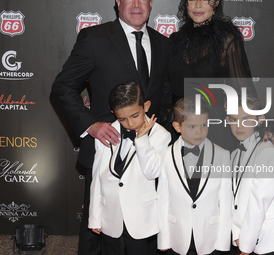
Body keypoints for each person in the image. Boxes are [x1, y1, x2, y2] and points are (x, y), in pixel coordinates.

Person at [51, 0, 171, 254]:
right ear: (118, 2)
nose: (137, 4)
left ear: (151, 2)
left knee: (147, 230)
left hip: (150, 154)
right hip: (108, 149)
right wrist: (91, 125)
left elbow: (166, 96)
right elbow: (63, 87)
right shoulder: (95, 38)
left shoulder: (163, 43)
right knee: (99, 232)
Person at [88, 82, 171, 255]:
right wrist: (95, 217)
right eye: (122, 119)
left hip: (140, 216)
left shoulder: (161, 135)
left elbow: (152, 172)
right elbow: (97, 176)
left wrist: (142, 140)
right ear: (114, 114)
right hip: (110, 213)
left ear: (146, 106)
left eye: (135, 115)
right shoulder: (107, 132)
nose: (130, 123)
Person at [167, 0, 257, 151]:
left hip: (213, 129)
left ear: (216, 3)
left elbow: (244, 91)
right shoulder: (174, 41)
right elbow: (165, 89)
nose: (198, 4)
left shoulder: (227, 41)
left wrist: (266, 131)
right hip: (178, 130)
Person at [157, 97, 232, 255]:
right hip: (177, 237)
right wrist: (163, 238)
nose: (199, 131)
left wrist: (223, 242)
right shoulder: (165, 155)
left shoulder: (223, 156)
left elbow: (226, 203)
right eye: (192, 126)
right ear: (177, 126)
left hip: (210, 238)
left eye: (204, 125)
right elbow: (163, 201)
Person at [226, 96, 274, 255]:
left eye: (246, 119)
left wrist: (246, 243)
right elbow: (235, 199)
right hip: (246, 237)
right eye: (234, 119)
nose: (239, 126)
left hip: (269, 240)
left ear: (260, 120)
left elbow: (259, 201)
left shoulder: (267, 151)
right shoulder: (235, 154)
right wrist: (237, 234)